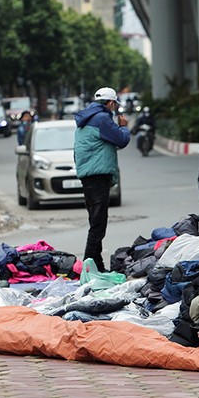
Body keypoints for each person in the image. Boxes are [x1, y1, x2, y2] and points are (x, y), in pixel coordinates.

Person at [74, 87, 130, 272]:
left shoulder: (88, 118)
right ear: (111, 103)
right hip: (98, 176)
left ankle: (97, 265)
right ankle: (88, 266)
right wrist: (123, 126)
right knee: (98, 224)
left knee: (95, 221)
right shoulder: (102, 119)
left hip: (88, 175)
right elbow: (122, 140)